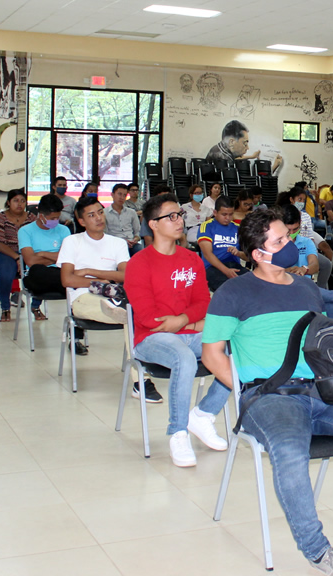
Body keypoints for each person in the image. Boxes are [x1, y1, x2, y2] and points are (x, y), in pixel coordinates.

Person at [201, 208, 333, 575]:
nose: (289, 246)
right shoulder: (233, 293)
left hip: (320, 391)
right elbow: (212, 355)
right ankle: (318, 551)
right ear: (257, 253)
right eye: (279, 241)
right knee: (289, 448)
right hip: (271, 398)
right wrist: (250, 392)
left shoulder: (305, 288)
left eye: (289, 238)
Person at [126, 194, 231, 467]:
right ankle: (178, 431)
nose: (178, 221)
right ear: (153, 225)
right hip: (151, 337)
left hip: (185, 331)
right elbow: (149, 318)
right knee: (183, 357)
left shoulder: (192, 259)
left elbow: (203, 303)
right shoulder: (139, 263)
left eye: (179, 215)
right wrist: (189, 323)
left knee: (234, 348)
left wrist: (184, 321)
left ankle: (204, 414)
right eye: (170, 216)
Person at [57, 196, 131, 355]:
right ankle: (124, 313)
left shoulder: (118, 243)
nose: (98, 218)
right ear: (82, 221)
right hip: (82, 297)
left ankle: (140, 378)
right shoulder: (72, 241)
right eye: (91, 215)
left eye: (100, 212)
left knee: (129, 317)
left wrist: (89, 272)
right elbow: (67, 279)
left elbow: (126, 276)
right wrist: (100, 281)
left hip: (114, 294)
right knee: (131, 318)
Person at [18, 194, 70, 321]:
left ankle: (75, 334)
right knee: (37, 271)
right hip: (40, 276)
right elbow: (30, 261)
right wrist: (58, 256)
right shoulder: (25, 231)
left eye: (58, 217)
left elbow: (69, 257)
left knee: (71, 276)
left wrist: (42, 253)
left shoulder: (64, 230)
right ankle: (68, 284)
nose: (56, 221)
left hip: (61, 272)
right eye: (53, 218)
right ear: (41, 216)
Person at [0, 189, 36, 322]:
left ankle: (36, 306)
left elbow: (36, 239)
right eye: (16, 201)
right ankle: (5, 307)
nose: (20, 204)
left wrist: (24, 256)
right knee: (4, 272)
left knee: (41, 271)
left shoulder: (32, 218)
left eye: (23, 201)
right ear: (8, 202)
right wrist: (17, 257)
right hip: (6, 253)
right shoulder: (0, 218)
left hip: (28, 252)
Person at [198, 196, 248, 292]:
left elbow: (248, 257)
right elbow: (208, 254)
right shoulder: (207, 227)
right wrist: (226, 271)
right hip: (212, 267)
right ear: (215, 212)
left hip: (234, 266)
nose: (228, 218)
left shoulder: (238, 228)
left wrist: (239, 253)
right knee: (229, 289)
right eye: (224, 214)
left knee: (253, 284)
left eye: (230, 214)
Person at [205, 119, 282, 174]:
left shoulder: (219, 148)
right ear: (232, 142)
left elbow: (235, 158)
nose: (247, 148)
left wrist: (251, 156)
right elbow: (250, 184)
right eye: (245, 143)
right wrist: (274, 166)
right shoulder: (223, 159)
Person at [105, 183, 141, 256]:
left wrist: (135, 239)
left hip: (131, 244)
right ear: (112, 195)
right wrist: (122, 241)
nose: (122, 197)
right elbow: (105, 235)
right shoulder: (104, 213)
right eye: (119, 194)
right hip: (114, 244)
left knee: (140, 250)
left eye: (124, 195)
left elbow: (138, 232)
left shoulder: (132, 212)